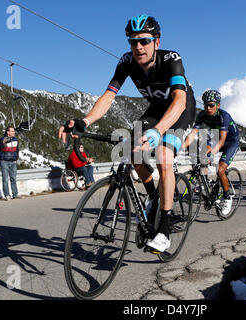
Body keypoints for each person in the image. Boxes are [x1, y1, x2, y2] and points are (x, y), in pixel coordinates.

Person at [58, 15, 196, 253]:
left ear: (157, 42)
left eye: (144, 41)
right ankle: (154, 196)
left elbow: (180, 100)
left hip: (180, 108)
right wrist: (85, 120)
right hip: (156, 109)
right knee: (132, 151)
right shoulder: (126, 62)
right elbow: (109, 95)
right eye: (133, 42)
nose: (138, 47)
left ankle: (164, 229)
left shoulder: (172, 59)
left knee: (163, 157)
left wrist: (158, 131)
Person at [181, 89, 239, 215]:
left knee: (220, 170)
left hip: (230, 141)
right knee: (202, 153)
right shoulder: (202, 115)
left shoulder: (224, 116)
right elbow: (193, 134)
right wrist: (180, 147)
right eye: (205, 104)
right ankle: (205, 181)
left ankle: (227, 197)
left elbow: (222, 140)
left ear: (218, 105)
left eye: (211, 105)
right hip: (215, 137)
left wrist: (211, 155)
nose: (208, 108)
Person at [0, 126, 19, 200]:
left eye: (14, 131)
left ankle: (15, 195)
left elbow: (17, 150)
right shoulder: (2, 139)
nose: (14, 132)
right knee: (5, 179)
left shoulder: (15, 139)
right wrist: (2, 143)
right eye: (12, 131)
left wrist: (16, 158)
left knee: (13, 179)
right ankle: (7, 195)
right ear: (8, 132)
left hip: (13, 162)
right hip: (4, 161)